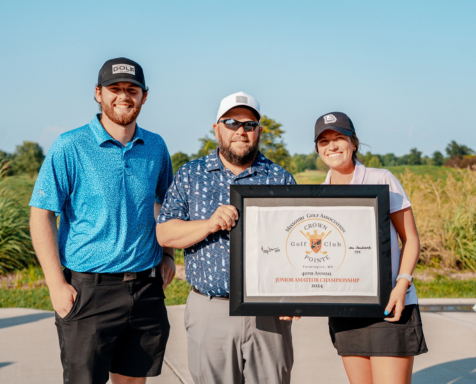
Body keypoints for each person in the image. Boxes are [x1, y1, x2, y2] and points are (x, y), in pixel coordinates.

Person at [29, 57, 175, 384]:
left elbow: (167, 207)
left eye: (132, 89)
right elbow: (41, 213)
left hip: (145, 289)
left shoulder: (155, 146)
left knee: (134, 382)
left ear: (144, 96)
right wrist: (55, 284)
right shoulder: (70, 146)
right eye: (115, 89)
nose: (124, 96)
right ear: (98, 93)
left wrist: (168, 255)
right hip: (88, 292)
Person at [156, 91, 295, 384]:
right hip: (210, 309)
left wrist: (295, 295)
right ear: (217, 127)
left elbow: (295, 244)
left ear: (259, 131)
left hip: (268, 314)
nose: (241, 131)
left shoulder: (279, 178)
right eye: (232, 123)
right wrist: (208, 224)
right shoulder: (191, 175)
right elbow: (164, 232)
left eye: (250, 125)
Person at [314, 112, 428, 384]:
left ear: (353, 142)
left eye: (339, 138)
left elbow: (410, 238)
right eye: (324, 141)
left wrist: (402, 285)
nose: (332, 146)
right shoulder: (317, 195)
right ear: (318, 149)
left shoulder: (382, 179)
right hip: (345, 309)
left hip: (389, 306)